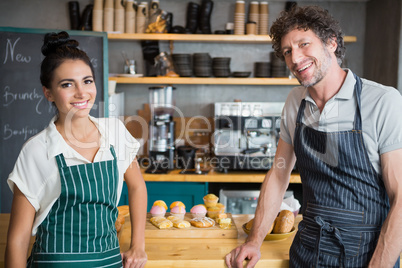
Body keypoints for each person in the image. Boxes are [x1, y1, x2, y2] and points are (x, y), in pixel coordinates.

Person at [225, 5, 402, 268]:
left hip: (363, 255)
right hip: (307, 251)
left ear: (331, 43)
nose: (295, 58)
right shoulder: (295, 102)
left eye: (304, 44)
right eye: (287, 51)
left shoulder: (381, 101)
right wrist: (254, 240)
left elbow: (400, 198)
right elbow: (278, 174)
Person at [5, 31, 148, 268]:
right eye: (67, 84)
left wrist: (138, 245)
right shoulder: (37, 150)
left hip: (109, 262)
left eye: (87, 81)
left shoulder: (114, 132)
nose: (81, 93)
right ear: (48, 93)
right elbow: (17, 239)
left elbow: (137, 186)